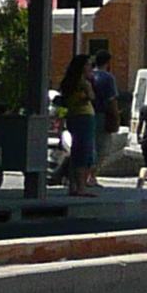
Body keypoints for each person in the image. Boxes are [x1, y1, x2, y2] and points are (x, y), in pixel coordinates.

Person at [52, 51, 100, 197]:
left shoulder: (69, 82)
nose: (90, 66)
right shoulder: (84, 82)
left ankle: (73, 186)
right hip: (84, 117)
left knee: (76, 152)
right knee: (85, 153)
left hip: (73, 117)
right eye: (87, 64)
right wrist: (91, 82)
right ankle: (80, 187)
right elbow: (92, 97)